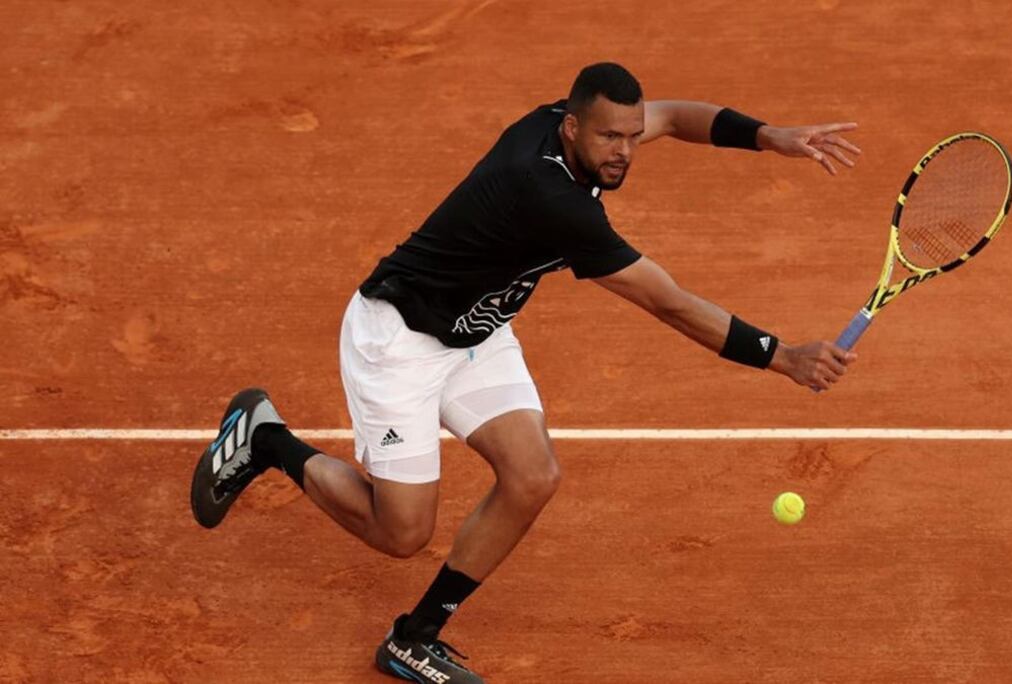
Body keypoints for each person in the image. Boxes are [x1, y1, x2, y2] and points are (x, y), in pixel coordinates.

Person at [190, 62, 860, 683]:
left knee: (532, 475)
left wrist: (769, 136)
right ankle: (266, 438)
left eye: (631, 136)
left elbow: (677, 116)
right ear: (571, 127)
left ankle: (415, 637)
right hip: (399, 340)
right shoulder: (552, 199)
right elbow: (669, 303)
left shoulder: (576, 132)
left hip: (475, 332)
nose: (624, 151)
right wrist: (782, 356)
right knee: (401, 533)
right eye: (609, 138)